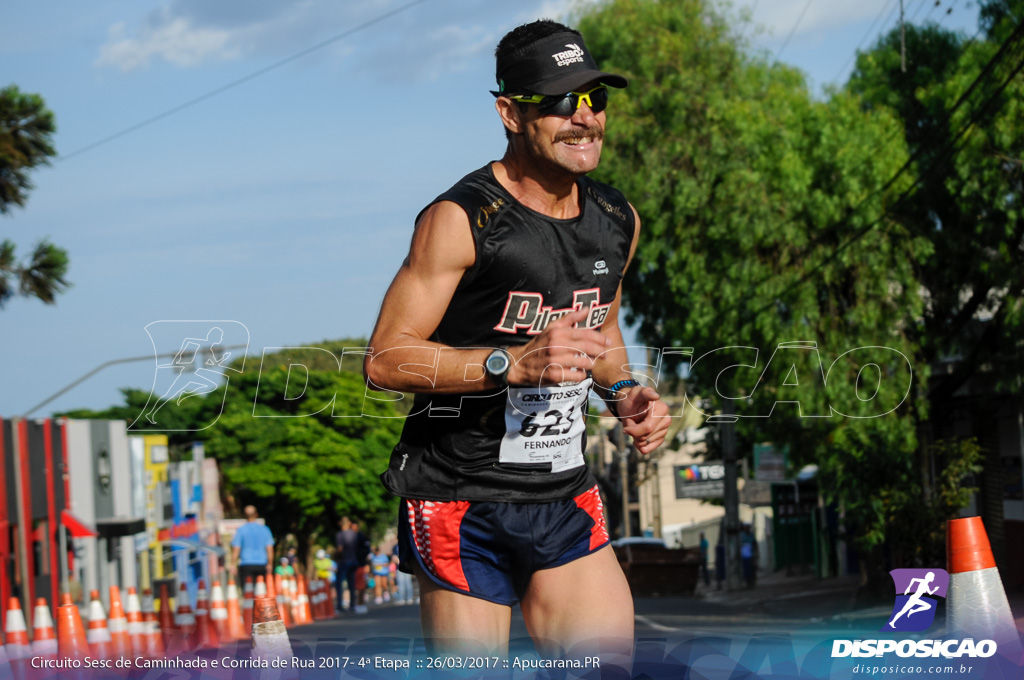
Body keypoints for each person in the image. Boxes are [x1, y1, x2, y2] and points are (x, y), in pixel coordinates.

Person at [365, 18, 669, 665]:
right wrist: (511, 364)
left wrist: (625, 392)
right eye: (561, 101)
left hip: (561, 495)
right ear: (511, 112)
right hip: (460, 498)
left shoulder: (617, 220)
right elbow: (387, 357)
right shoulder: (461, 219)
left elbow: (601, 331)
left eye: (595, 99)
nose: (584, 118)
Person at [231, 505, 274, 587]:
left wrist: (233, 564)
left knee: (248, 591)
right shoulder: (265, 529)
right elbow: (269, 548)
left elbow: (236, 548)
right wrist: (270, 564)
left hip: (246, 565)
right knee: (261, 591)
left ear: (244, 516)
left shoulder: (241, 530)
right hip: (262, 564)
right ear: (256, 514)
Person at [334, 517, 369, 612]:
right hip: (354, 560)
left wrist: (336, 555)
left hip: (345, 560)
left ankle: (340, 606)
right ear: (349, 523)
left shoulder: (340, 535)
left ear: (340, 523)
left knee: (339, 583)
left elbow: (340, 549)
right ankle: (352, 604)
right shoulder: (354, 534)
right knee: (352, 583)